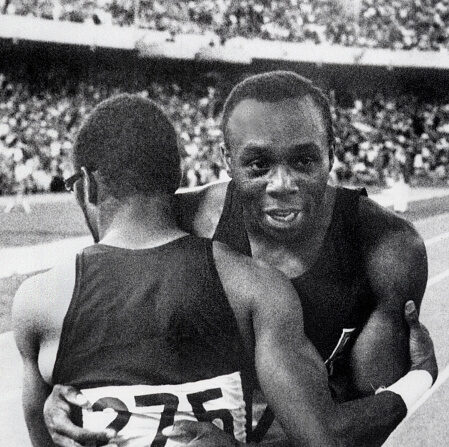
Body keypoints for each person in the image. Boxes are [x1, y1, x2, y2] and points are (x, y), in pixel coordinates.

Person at [43, 73, 434, 445]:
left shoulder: (387, 249)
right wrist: (71, 396)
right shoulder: (187, 223)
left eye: (303, 161)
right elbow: (122, 344)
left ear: (331, 155)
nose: (282, 185)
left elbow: (366, 429)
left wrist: (420, 377)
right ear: (227, 160)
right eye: (259, 165)